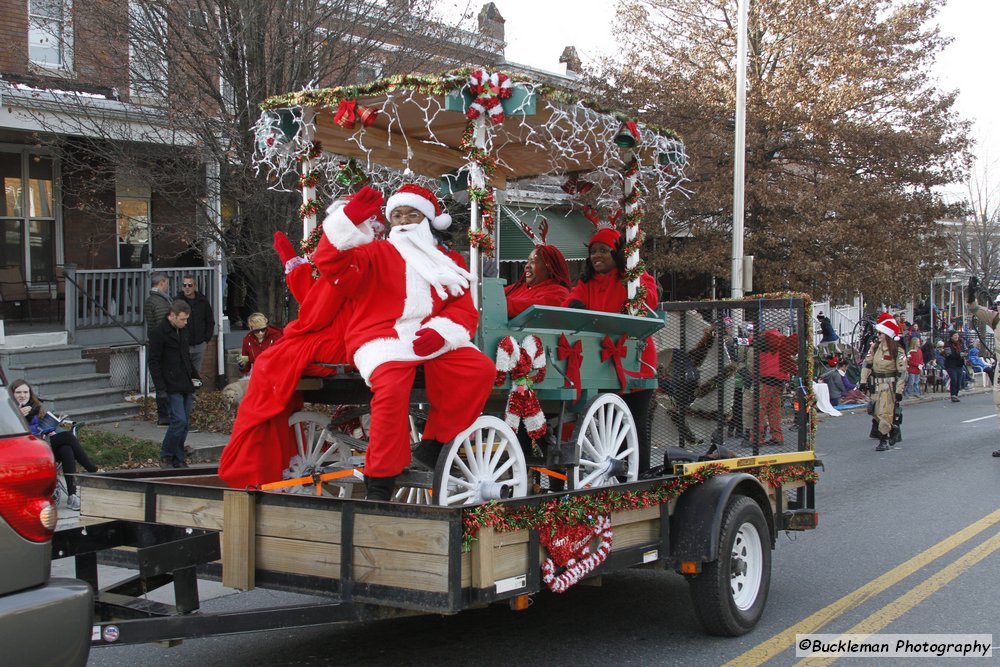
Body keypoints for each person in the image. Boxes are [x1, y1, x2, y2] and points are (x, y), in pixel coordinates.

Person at [304, 184, 496, 500]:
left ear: (429, 219)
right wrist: (345, 222)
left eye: (412, 213)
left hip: (430, 337)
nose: (404, 220)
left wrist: (442, 332)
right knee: (391, 389)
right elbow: (330, 263)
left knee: (478, 369)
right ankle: (380, 480)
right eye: (397, 215)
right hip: (382, 337)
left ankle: (434, 445)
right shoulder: (372, 253)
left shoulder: (446, 261)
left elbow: (463, 307)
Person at [562, 224, 658, 473]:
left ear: (617, 253)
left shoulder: (632, 278)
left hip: (634, 362)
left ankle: (640, 476)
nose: (597, 256)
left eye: (604, 250)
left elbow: (650, 299)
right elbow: (569, 305)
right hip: (600, 364)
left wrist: (634, 273)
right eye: (593, 251)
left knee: (634, 425)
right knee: (608, 426)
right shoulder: (586, 283)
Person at [10, 379, 97, 511]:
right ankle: (92, 470)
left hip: (43, 446)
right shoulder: (7, 410)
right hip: (26, 453)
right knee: (67, 436)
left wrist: (49, 429)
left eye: (25, 392)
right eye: (18, 392)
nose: (22, 395)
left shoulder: (34, 407)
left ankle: (72, 495)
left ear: (30, 393)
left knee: (66, 449)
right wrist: (18, 415)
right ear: (11, 394)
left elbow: (38, 428)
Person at [148, 300, 202, 468]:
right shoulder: (159, 333)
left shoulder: (182, 331)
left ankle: (178, 458)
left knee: (184, 423)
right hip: (170, 383)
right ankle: (166, 454)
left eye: (186, 319)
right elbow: (154, 362)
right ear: (172, 316)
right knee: (178, 420)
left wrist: (195, 376)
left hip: (185, 380)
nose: (185, 322)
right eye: (182, 319)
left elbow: (186, 356)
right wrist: (160, 388)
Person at [859, 312, 907, 451]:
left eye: (881, 333)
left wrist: (899, 391)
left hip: (888, 385)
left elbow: (902, 372)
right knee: (874, 411)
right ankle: (894, 428)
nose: (878, 335)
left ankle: (884, 438)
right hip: (875, 384)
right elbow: (867, 364)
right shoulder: (874, 348)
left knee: (884, 412)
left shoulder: (897, 351)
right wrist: (863, 381)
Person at [965, 284, 1000, 456]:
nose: (998, 308)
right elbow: (974, 308)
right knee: (999, 403)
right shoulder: (995, 319)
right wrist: (971, 295)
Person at [504, 244, 571, 318]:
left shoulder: (559, 293)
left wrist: (497, 304)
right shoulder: (518, 287)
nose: (527, 266)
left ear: (549, 267)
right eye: (528, 261)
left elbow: (531, 309)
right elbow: (494, 297)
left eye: (533, 261)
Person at [143, 271, 173, 426]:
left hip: (157, 343)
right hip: (162, 346)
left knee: (162, 381)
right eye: (166, 283)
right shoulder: (159, 302)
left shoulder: (152, 300)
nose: (167, 286)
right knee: (163, 382)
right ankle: (165, 414)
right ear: (162, 282)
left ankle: (165, 414)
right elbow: (162, 324)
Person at [176, 274, 216, 376]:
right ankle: (185, 392)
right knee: (183, 371)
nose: (187, 288)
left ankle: (193, 392)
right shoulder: (177, 302)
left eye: (190, 285)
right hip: (183, 344)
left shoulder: (203, 301)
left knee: (196, 372)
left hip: (199, 343)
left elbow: (210, 321)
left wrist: (206, 339)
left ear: (195, 286)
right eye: (184, 285)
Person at [943, 331, 965, 402]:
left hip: (959, 364)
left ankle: (956, 394)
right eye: (955, 335)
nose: (956, 337)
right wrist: (959, 355)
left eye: (957, 335)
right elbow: (948, 355)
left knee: (959, 381)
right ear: (951, 336)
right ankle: (953, 395)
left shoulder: (960, 343)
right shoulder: (947, 344)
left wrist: (964, 354)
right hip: (951, 365)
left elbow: (965, 350)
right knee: (954, 379)